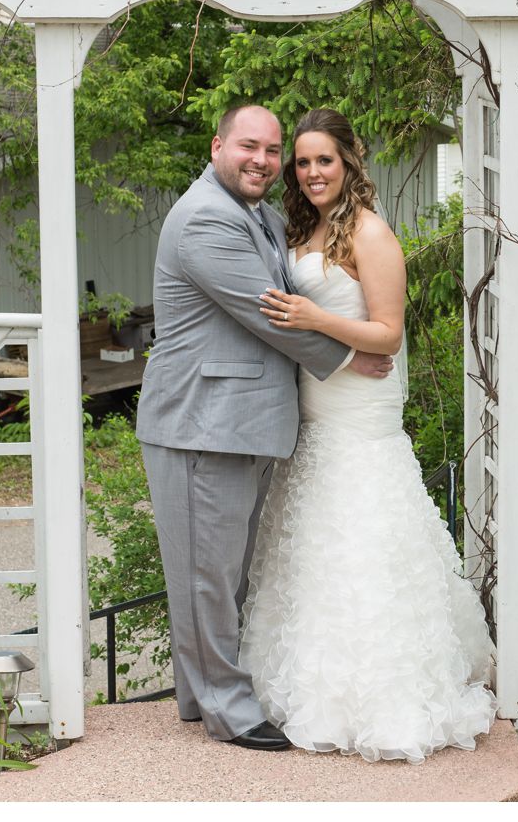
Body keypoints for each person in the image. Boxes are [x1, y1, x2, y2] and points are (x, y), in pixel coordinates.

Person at [239, 107, 496, 764]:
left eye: (324, 159)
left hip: (360, 415)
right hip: (313, 418)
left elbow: (387, 334)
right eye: (303, 162)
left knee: (364, 546)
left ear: (350, 161)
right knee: (313, 551)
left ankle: (384, 699)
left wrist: (313, 317)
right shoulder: (304, 229)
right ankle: (310, 691)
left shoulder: (371, 234)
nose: (312, 172)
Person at [136, 105, 395, 752]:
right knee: (208, 577)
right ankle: (227, 707)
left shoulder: (261, 216)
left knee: (218, 574)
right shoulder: (205, 219)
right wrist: (348, 357)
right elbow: (271, 316)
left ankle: (200, 699)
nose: (263, 160)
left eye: (273, 150)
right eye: (249, 146)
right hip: (202, 424)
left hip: (242, 424)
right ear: (218, 144)